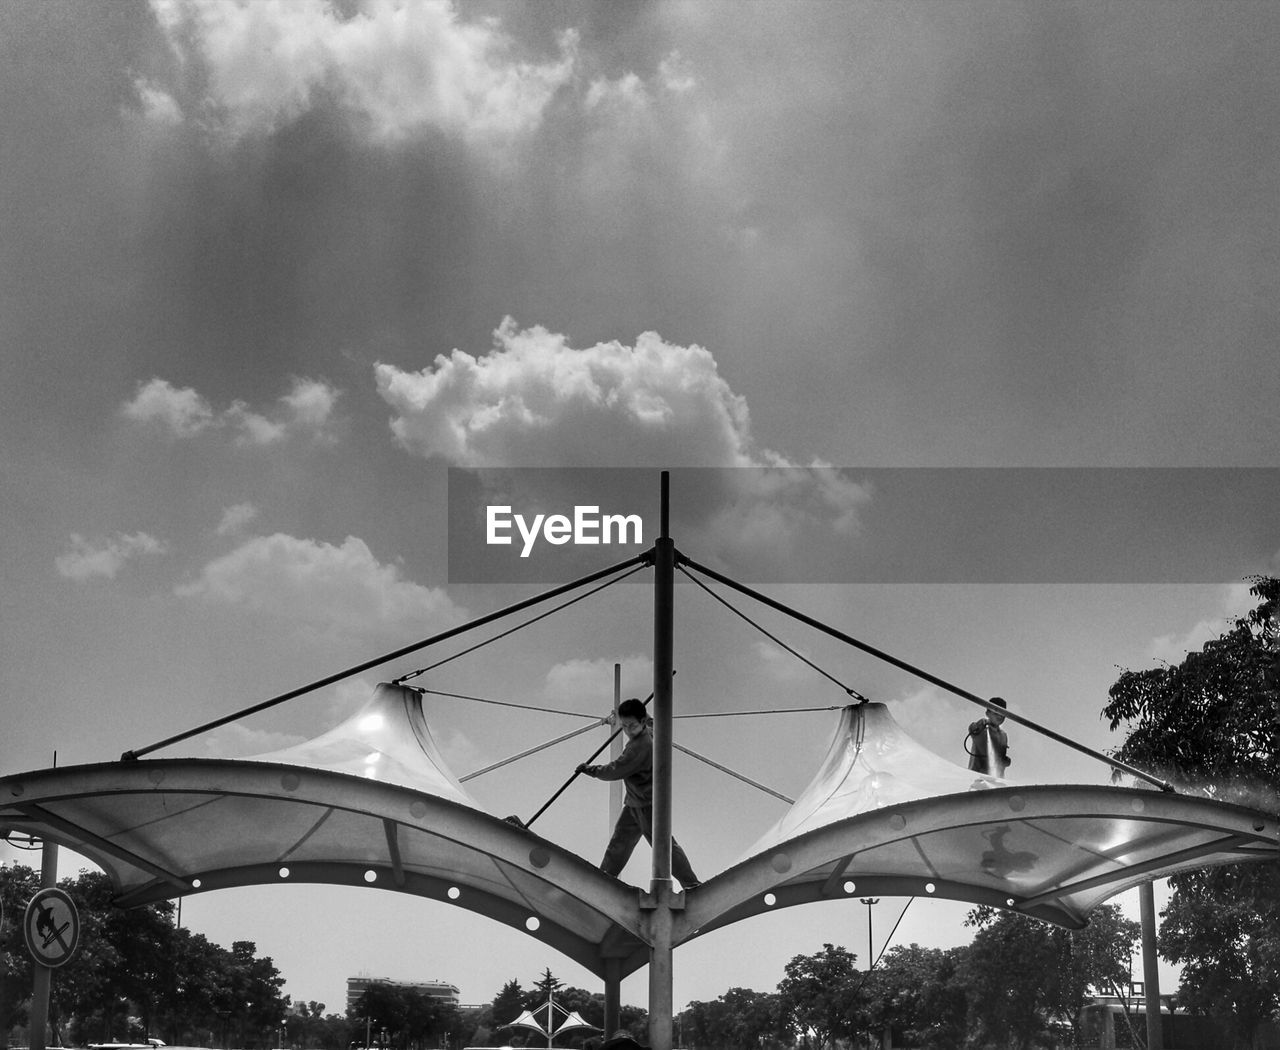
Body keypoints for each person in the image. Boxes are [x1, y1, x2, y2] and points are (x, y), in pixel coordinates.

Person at [576, 697, 701, 891]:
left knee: (663, 847)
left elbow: (615, 770)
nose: (627, 731)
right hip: (636, 802)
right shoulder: (651, 729)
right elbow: (651, 720)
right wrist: (641, 712)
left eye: (631, 726)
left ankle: (692, 885)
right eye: (624, 726)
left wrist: (590, 770)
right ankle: (604, 880)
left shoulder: (639, 747)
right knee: (619, 843)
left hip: (646, 805)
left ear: (641, 722)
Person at [966, 696, 1011, 777]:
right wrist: (981, 723)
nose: (1000, 716)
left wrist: (1005, 761)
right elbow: (972, 728)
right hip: (977, 777)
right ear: (988, 713)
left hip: (996, 779)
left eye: (1003, 714)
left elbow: (1001, 758)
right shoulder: (982, 727)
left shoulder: (1003, 735)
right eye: (996, 713)